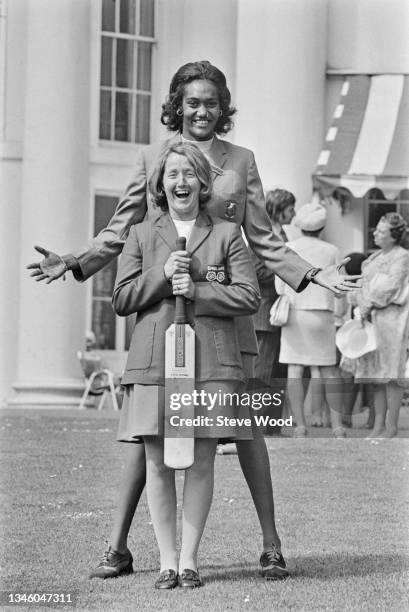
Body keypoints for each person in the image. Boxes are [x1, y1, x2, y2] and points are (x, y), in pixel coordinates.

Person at [27, 60, 358, 579]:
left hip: (225, 322)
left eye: (212, 102)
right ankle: (118, 547)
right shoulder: (152, 158)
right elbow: (121, 229)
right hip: (164, 318)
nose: (202, 111)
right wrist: (76, 259)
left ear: (224, 108)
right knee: (149, 434)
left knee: (245, 433)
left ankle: (271, 544)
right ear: (177, 105)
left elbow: (264, 239)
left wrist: (312, 276)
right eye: (192, 102)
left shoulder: (240, 161)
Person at [113, 141, 260, 588]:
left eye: (190, 174)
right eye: (172, 174)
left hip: (212, 363)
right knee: (156, 460)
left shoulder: (226, 234)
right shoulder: (140, 233)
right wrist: (161, 276)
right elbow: (121, 298)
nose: (181, 182)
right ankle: (166, 561)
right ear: (160, 182)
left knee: (200, 460)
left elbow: (249, 296)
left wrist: (198, 289)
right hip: (155, 362)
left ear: (203, 183)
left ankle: (190, 561)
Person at [275, 203, 346, 438]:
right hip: (323, 313)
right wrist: (341, 314)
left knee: (294, 370)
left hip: (295, 313)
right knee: (329, 370)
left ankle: (300, 425)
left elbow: (279, 286)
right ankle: (337, 426)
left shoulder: (288, 247)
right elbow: (340, 287)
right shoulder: (332, 250)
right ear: (322, 226)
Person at [350, 213, 409, 438]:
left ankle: (391, 426)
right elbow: (363, 284)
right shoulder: (373, 258)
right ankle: (377, 426)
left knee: (391, 373)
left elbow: (392, 286)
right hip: (372, 318)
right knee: (375, 373)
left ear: (393, 236)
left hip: (392, 319)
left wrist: (370, 301)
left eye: (381, 231)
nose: (375, 233)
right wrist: (360, 302)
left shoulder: (402, 257)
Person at [250, 189, 296, 435]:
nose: (294, 214)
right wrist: (285, 272)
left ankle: (272, 424)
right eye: (291, 209)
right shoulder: (263, 234)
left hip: (277, 313)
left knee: (277, 373)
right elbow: (256, 271)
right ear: (279, 209)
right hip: (263, 311)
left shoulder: (282, 235)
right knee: (262, 372)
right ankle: (256, 423)